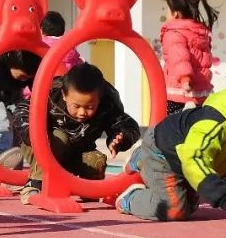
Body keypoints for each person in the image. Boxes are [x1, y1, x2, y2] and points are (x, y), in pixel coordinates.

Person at [115, 66, 226, 229]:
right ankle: (129, 198)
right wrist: (224, 197)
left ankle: (141, 158)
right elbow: (195, 158)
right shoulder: (214, 122)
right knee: (173, 209)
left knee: (190, 206)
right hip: (164, 153)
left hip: (187, 160)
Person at [12, 62, 140, 204]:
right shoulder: (50, 93)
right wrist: (33, 134)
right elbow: (23, 111)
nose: (82, 112)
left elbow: (126, 124)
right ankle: (35, 182)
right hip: (45, 148)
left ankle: (88, 191)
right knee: (60, 139)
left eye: (90, 107)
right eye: (77, 106)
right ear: (64, 95)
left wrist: (120, 138)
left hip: (77, 151)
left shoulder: (108, 103)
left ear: (100, 99)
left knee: (96, 160)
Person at [160, 0, 217, 115]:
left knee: (173, 128)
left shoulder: (174, 32)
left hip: (179, 91)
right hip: (201, 92)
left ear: (175, 14)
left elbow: (179, 57)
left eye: (167, 9)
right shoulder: (200, 32)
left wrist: (185, 79)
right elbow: (204, 59)